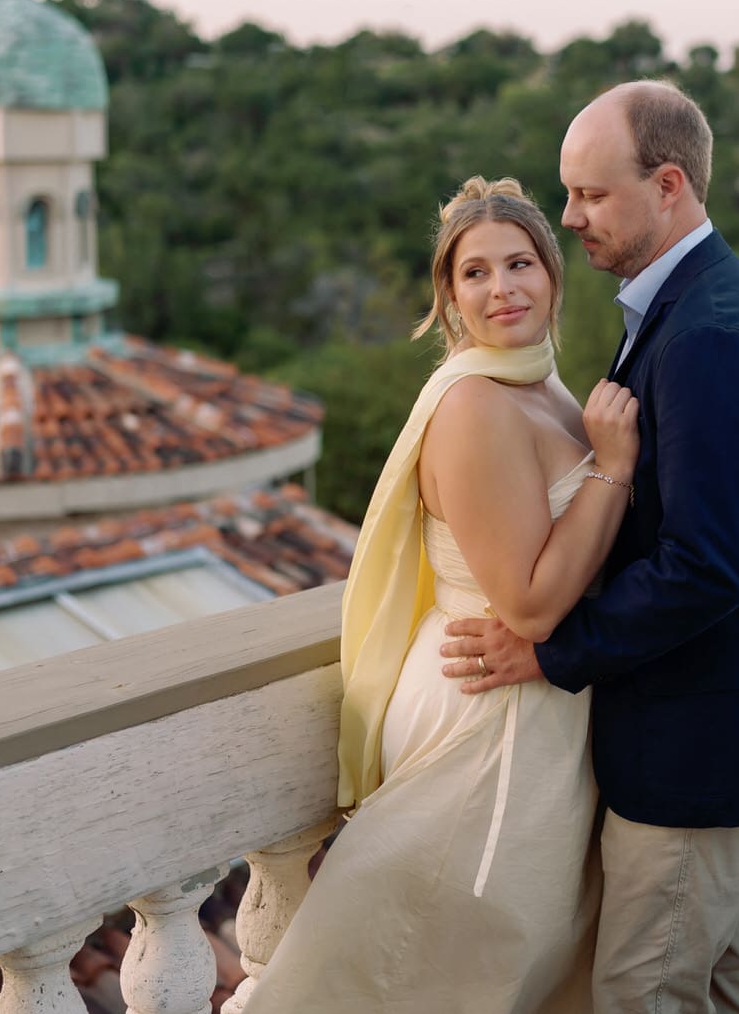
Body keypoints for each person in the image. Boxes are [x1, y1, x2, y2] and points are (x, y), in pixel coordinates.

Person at [441, 81, 739, 1013]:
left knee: (639, 993)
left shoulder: (711, 336)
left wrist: (550, 650)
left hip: (702, 755)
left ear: (668, 185)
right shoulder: (690, 303)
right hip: (721, 740)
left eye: (590, 195)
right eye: (569, 194)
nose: (570, 217)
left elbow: (708, 564)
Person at [244, 177, 640, 1012]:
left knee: (505, 960)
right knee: (438, 962)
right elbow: (530, 606)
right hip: (485, 704)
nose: (503, 289)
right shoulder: (474, 406)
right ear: (449, 294)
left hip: (539, 709)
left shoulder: (543, 386)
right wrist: (612, 465)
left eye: (521, 263)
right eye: (475, 273)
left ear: (553, 275)